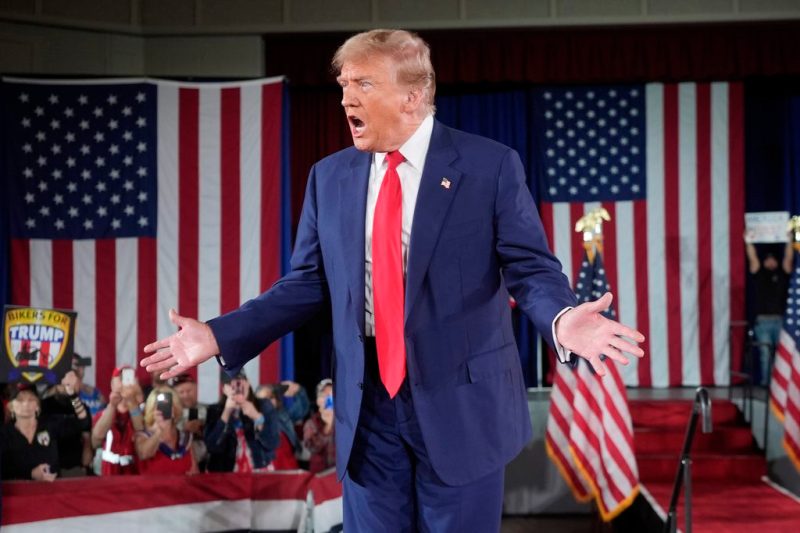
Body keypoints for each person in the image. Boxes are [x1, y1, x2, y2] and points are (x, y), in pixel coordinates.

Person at [142, 29, 645, 531]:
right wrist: (218, 334)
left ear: (413, 96)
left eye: (362, 83)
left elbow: (530, 268)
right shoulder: (329, 177)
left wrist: (560, 319)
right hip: (368, 413)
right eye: (342, 85)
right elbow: (307, 284)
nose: (345, 98)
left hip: (461, 407)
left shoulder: (488, 166)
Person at [1, 382, 90, 481]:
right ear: (11, 406)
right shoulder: (4, 433)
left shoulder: (49, 423)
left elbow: (82, 422)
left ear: (38, 406)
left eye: (31, 399)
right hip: (18, 493)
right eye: (20, 400)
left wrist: (73, 396)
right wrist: (31, 473)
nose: (25, 404)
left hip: (52, 491)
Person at [204, 371, 280, 472]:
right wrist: (226, 413)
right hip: (225, 473)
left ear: (248, 383)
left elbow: (273, 443)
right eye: (231, 383)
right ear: (224, 389)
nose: (237, 387)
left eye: (240, 381)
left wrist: (257, 417)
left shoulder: (264, 406)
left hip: (258, 469)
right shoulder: (215, 410)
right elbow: (211, 447)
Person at [745, 236, 794, 385]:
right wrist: (748, 240)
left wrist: (790, 239)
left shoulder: (782, 273)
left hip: (780, 321)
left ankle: (783, 386)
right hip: (763, 321)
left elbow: (788, 258)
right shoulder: (759, 273)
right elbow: (752, 258)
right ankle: (766, 384)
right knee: (765, 354)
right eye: (768, 259)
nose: (771, 262)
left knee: (782, 354)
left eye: (773, 259)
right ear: (764, 261)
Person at [91, 366, 145, 475]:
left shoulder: (143, 410)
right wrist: (112, 405)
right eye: (121, 378)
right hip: (109, 470)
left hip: (134, 470)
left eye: (129, 378)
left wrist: (131, 400)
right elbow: (96, 438)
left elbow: (140, 428)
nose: (125, 382)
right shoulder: (102, 413)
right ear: (112, 384)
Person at [39, 368, 94, 476]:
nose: (67, 387)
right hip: (48, 466)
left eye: (71, 384)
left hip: (73, 466)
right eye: (64, 383)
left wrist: (85, 465)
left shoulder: (82, 408)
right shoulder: (44, 406)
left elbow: (86, 438)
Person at [135, 386, 198, 475]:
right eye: (158, 406)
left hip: (181, 487)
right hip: (152, 488)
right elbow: (144, 454)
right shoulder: (143, 435)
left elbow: (195, 471)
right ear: (152, 410)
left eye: (167, 406)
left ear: (175, 408)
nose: (162, 410)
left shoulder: (185, 438)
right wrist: (159, 430)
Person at [256, 381, 309, 470]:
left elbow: (302, 408)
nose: (267, 402)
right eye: (263, 399)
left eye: (271, 397)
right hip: (266, 473)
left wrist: (299, 390)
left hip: (290, 471)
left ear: (276, 401)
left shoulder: (283, 416)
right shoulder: (250, 420)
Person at [171, 373, 209, 471]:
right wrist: (183, 429)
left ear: (196, 390)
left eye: (189, 391)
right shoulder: (171, 414)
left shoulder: (209, 410)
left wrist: (201, 429)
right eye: (181, 392)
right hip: (179, 461)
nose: (186, 395)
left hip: (207, 463)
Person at [303, 378, 335, 474]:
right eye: (323, 395)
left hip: (338, 477)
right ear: (318, 400)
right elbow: (312, 447)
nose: (327, 400)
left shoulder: (345, 422)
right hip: (320, 477)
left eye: (330, 396)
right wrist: (328, 426)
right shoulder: (311, 423)